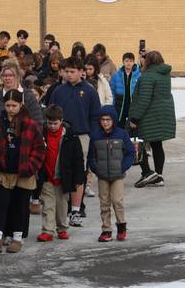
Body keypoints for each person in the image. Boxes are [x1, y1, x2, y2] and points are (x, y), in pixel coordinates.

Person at [0, 90, 45, 254]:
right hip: (2, 171)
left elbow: (40, 148)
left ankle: (17, 238)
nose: (10, 108)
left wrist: (30, 166)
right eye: (7, 105)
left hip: (23, 172)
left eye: (14, 105)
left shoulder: (30, 124)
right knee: (0, 203)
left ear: (21, 105)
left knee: (19, 206)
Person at [47, 56, 100, 226]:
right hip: (61, 135)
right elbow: (50, 113)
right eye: (66, 72)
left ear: (81, 72)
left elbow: (95, 116)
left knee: (79, 173)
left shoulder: (90, 91)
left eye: (72, 72)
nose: (68, 75)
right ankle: (61, 208)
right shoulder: (58, 91)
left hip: (82, 136)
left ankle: (76, 210)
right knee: (61, 170)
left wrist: (92, 137)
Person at [36, 105, 85, 242]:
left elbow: (78, 159)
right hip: (47, 176)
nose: (52, 126)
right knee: (48, 204)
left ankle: (62, 228)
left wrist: (79, 177)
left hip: (64, 177)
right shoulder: (41, 135)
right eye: (50, 123)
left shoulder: (71, 137)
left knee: (62, 205)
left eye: (55, 123)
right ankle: (47, 230)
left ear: (61, 121)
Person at [87, 106, 135, 241]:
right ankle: (106, 230)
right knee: (104, 203)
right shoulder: (95, 136)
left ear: (113, 120)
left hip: (117, 175)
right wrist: (96, 169)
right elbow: (91, 156)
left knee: (117, 201)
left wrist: (122, 167)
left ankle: (121, 227)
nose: (105, 122)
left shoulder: (122, 134)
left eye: (108, 119)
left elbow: (130, 153)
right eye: (102, 119)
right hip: (102, 176)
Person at [129, 50, 176, 188]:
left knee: (139, 142)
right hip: (162, 115)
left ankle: (147, 172)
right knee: (157, 145)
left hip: (149, 116)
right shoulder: (164, 74)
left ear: (148, 61)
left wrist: (135, 118)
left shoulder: (148, 76)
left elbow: (144, 100)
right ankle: (159, 176)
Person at [0, 61, 44, 126]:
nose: (7, 78)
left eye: (11, 75)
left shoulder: (28, 96)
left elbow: (38, 122)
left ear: (18, 76)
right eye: (5, 75)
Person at [110, 52, 141, 128]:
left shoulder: (139, 75)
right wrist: (112, 105)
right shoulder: (116, 75)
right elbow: (112, 91)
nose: (128, 63)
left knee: (132, 127)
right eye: (126, 61)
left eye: (131, 61)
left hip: (133, 104)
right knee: (120, 125)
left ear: (133, 62)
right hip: (120, 105)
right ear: (123, 62)